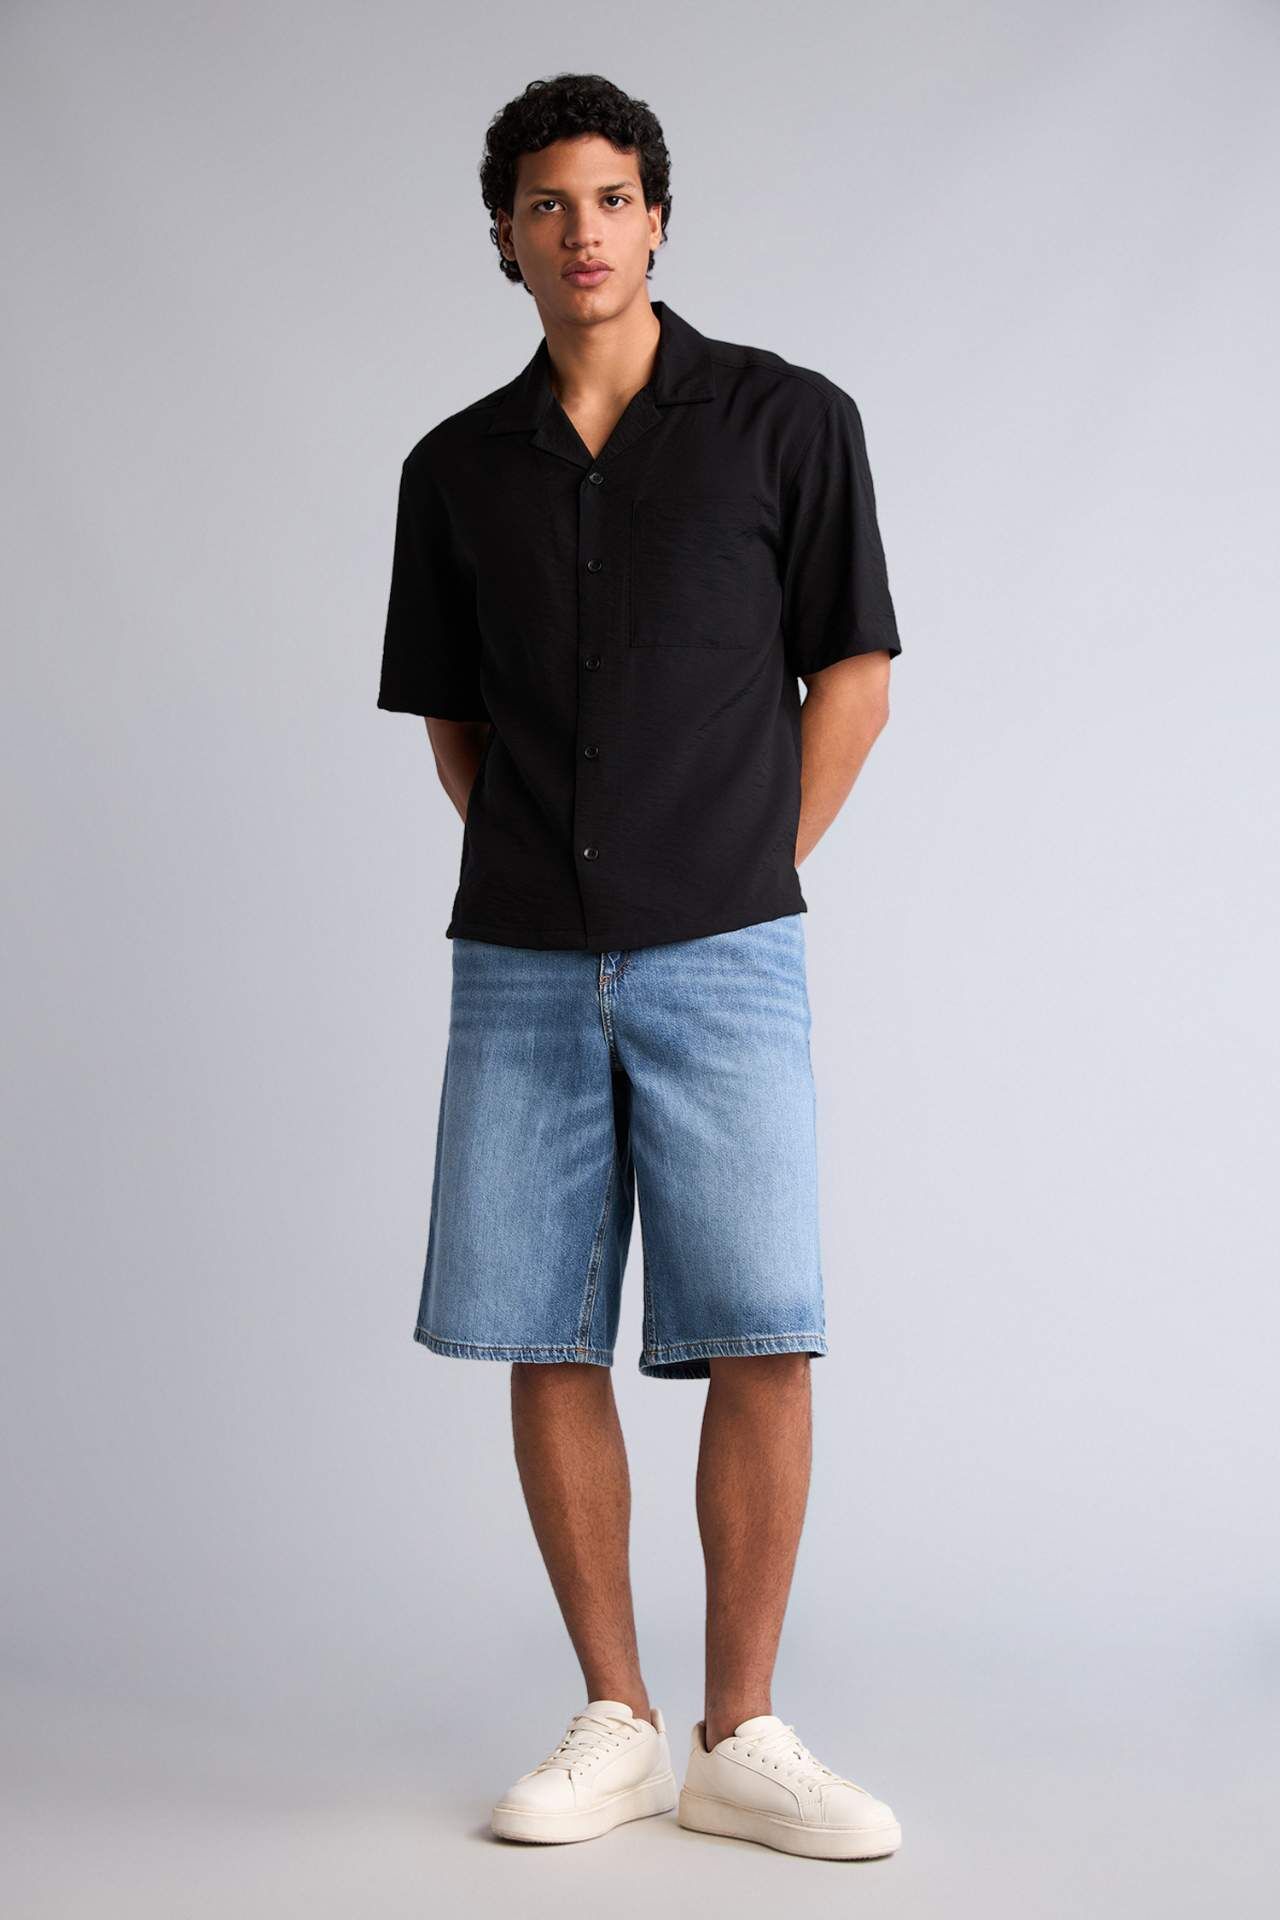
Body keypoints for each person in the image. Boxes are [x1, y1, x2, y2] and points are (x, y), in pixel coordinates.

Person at [377, 72, 903, 1862]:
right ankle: (615, 1716)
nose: (582, 230)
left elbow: (854, 679)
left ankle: (740, 1734)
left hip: (727, 951)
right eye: (548, 204)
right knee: (542, 1324)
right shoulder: (454, 469)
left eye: (612, 198)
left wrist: (740, 870)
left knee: (763, 1323)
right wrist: (563, 866)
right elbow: (456, 726)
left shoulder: (786, 423)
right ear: (506, 237)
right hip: (522, 957)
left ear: (658, 219)